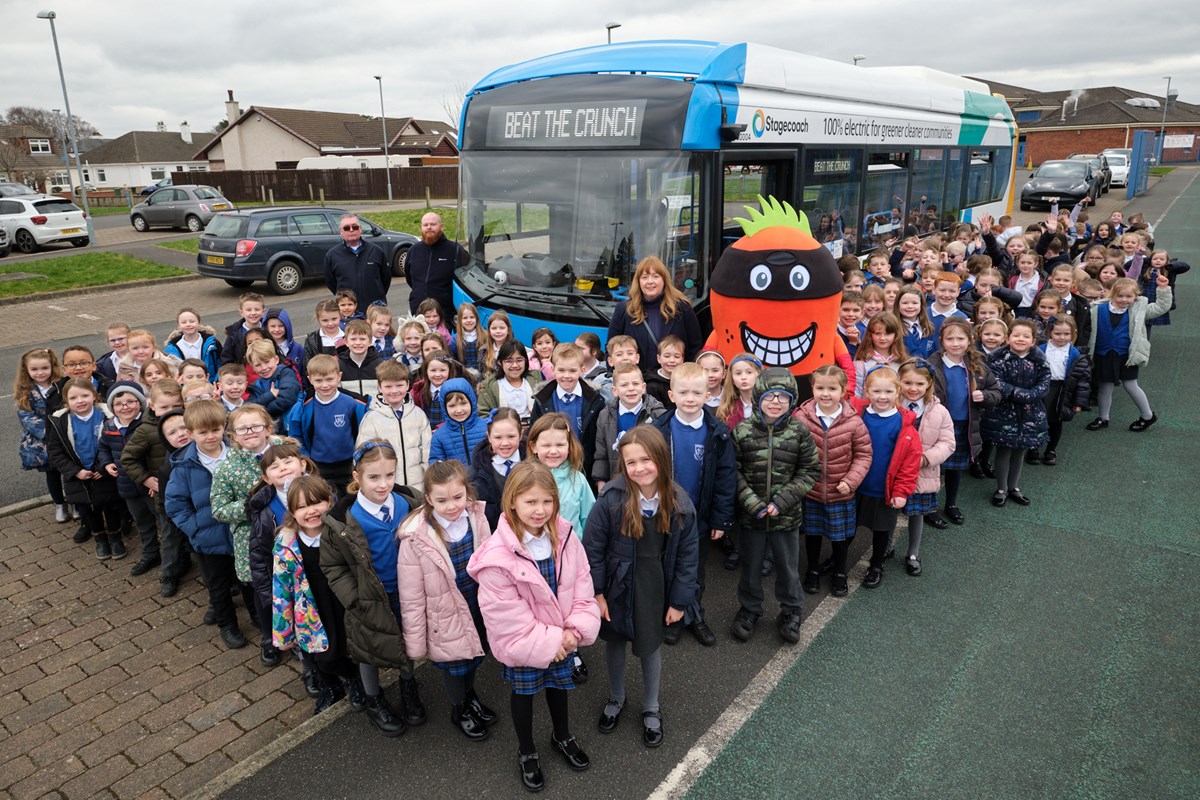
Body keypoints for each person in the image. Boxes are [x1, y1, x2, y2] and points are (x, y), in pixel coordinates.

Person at [467, 461, 600, 794]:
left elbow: (582, 585)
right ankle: (527, 750)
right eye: (530, 502)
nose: (540, 510)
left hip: (562, 637)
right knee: (523, 694)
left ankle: (562, 735)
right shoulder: (497, 556)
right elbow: (506, 615)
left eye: (546, 501)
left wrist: (573, 632)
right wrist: (552, 640)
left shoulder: (567, 537)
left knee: (559, 687)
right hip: (527, 643)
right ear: (512, 501)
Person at [583, 425, 699, 748]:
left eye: (646, 460)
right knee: (615, 642)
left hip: (653, 587)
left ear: (661, 458)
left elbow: (688, 559)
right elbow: (592, 549)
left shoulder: (680, 503)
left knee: (650, 647)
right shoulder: (610, 500)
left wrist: (679, 601)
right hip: (617, 585)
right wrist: (597, 592)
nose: (639, 468)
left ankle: (651, 706)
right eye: (631, 462)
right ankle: (617, 697)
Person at [321, 440, 426, 735]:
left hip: (408, 591)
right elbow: (333, 566)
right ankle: (373, 699)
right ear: (357, 477)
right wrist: (355, 599)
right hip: (368, 599)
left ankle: (408, 686)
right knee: (369, 649)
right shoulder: (344, 521)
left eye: (389, 476)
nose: (383, 485)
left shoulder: (409, 503)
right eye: (374, 477)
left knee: (407, 640)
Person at [398, 460, 498, 741]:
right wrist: (416, 641)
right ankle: (459, 709)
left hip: (476, 606)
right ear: (428, 499)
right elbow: (411, 596)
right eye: (442, 500)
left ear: (467, 491)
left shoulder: (477, 518)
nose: (452, 505)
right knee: (456, 668)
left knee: (474, 658)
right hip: (445, 617)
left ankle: (471, 695)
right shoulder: (415, 538)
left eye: (457, 497)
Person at [729, 368, 821, 643]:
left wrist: (782, 502)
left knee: (788, 568)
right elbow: (732, 472)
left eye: (784, 396)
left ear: (792, 401)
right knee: (751, 567)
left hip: (786, 517)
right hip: (751, 518)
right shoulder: (742, 431)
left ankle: (791, 612)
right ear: (759, 397)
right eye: (770, 395)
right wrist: (751, 503)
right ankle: (749, 609)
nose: (776, 402)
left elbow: (809, 470)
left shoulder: (799, 431)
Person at [650, 362, 735, 647]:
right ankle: (672, 617)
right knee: (667, 566)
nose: (690, 398)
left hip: (699, 516)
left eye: (697, 392)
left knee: (695, 570)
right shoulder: (658, 430)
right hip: (665, 515)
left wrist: (721, 520)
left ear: (708, 393)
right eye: (683, 392)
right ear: (671, 395)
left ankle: (695, 615)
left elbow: (725, 478)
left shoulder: (717, 432)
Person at [271, 475, 359, 715]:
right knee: (321, 657)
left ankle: (355, 680)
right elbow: (280, 588)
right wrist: (282, 631)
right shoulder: (287, 543)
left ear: (329, 502)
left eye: (316, 503)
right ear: (291, 510)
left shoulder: (340, 531)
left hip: (341, 601)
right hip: (310, 610)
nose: (310, 511)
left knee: (349, 646)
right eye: (301, 507)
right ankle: (331, 686)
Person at [164, 400, 248, 649]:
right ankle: (228, 624)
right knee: (218, 585)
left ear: (224, 428)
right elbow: (175, 504)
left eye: (215, 430)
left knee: (248, 579)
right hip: (208, 539)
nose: (210, 436)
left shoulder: (238, 454)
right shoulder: (184, 465)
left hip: (241, 532)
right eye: (203, 432)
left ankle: (258, 617)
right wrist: (196, 528)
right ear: (190, 434)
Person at [211, 404, 288, 664]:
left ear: (268, 427)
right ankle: (269, 638)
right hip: (252, 539)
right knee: (263, 590)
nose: (250, 432)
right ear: (233, 434)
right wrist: (248, 507)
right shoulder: (226, 469)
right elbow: (219, 508)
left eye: (256, 426)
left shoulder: (286, 452)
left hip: (290, 528)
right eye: (242, 428)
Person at [794, 365, 871, 597]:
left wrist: (851, 480)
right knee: (813, 535)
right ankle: (813, 570)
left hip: (841, 491)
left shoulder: (853, 422)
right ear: (812, 389)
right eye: (820, 388)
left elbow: (864, 454)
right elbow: (793, 451)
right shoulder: (801, 418)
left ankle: (840, 572)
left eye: (832, 388)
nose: (825, 394)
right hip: (812, 490)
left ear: (843, 390)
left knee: (839, 538)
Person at [246, 442, 318, 674]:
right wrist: (269, 595)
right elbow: (259, 555)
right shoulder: (265, 509)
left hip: (319, 574)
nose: (284, 468)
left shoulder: (322, 492)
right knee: (301, 629)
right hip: (291, 584)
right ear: (266, 478)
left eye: (288, 461)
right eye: (275, 466)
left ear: (302, 464)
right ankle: (310, 672)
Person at [850, 369, 922, 589]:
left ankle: (876, 565)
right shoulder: (857, 415)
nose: (882, 396)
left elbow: (910, 465)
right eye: (877, 391)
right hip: (855, 487)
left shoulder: (904, 425)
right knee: (846, 528)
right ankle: (837, 559)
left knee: (881, 532)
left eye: (888, 391)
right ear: (867, 391)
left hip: (884, 490)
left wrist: (901, 492)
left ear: (897, 392)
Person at [928, 320, 1001, 524]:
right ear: (942, 341)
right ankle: (930, 506)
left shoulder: (978, 367)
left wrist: (985, 396)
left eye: (960, 338)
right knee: (935, 468)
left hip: (964, 426)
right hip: (938, 427)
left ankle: (951, 503)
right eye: (950, 339)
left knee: (955, 469)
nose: (955, 343)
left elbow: (996, 391)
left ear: (970, 341)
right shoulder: (931, 365)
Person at [46, 378, 122, 559]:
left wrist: (103, 468)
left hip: (104, 473)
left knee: (111, 506)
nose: (80, 401)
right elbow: (55, 452)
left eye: (85, 395)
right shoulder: (60, 422)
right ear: (66, 401)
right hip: (79, 476)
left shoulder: (108, 416)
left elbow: (117, 445)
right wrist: (74, 471)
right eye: (73, 398)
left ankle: (116, 537)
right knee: (89, 509)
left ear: (94, 396)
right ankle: (100, 539)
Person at [1085, 274, 1172, 433]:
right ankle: (1103, 418)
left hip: (1127, 354)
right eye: (1120, 296)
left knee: (1131, 385)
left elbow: (1161, 307)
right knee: (1105, 386)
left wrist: (1163, 289)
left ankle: (1147, 415)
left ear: (1136, 296)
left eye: (1129, 296)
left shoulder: (1139, 309)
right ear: (1113, 294)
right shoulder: (1097, 308)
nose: (1124, 300)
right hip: (1104, 353)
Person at [895, 360, 955, 577]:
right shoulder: (891, 406)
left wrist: (925, 459)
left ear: (929, 384)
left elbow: (948, 443)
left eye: (919, 383)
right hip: (892, 473)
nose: (913, 388)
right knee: (889, 512)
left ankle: (913, 552)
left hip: (922, 473)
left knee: (917, 514)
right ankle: (886, 546)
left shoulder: (940, 411)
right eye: (907, 382)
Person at [982, 319, 1051, 507]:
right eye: (1016, 335)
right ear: (1007, 338)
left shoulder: (1040, 361)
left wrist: (1029, 396)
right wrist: (1022, 394)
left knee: (1020, 451)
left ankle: (1013, 487)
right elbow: (998, 384)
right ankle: (1001, 488)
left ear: (1033, 341)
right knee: (1003, 451)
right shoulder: (997, 359)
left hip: (1030, 414)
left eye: (1026, 336)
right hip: (1003, 413)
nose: (1021, 339)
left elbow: (1044, 385)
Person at [287, 355, 368, 495]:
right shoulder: (302, 408)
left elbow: (365, 434)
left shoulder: (353, 404)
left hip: (349, 466)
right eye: (319, 380)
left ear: (339, 376)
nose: (325, 385)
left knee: (349, 506)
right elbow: (295, 437)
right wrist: (307, 460)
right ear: (310, 379)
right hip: (319, 468)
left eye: (329, 379)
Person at [607, 256, 703, 373]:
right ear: (638, 282)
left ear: (664, 280)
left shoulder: (682, 308)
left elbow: (695, 347)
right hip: (635, 383)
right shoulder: (624, 309)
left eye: (655, 276)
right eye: (644, 277)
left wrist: (687, 377)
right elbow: (610, 347)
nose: (650, 281)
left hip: (673, 381)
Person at [356, 361, 431, 490]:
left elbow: (427, 451)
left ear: (407, 385)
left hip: (418, 487)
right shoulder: (371, 418)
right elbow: (364, 455)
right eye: (388, 386)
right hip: (387, 487)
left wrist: (427, 481)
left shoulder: (418, 415)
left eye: (399, 385)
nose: (394, 391)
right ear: (380, 387)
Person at [592, 363, 666, 488]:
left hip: (647, 481)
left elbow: (662, 452)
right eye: (624, 385)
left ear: (643, 388)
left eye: (635, 384)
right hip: (617, 481)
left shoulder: (657, 414)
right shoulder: (605, 415)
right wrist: (601, 481)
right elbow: (601, 454)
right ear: (614, 391)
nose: (631, 388)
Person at [15, 348, 66, 521]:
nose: (40, 373)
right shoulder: (25, 391)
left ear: (52, 366)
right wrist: (50, 434)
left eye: (44, 368)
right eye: (34, 369)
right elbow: (27, 417)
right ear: (27, 370)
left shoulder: (61, 384)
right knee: (52, 473)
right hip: (43, 441)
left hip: (65, 435)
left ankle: (75, 501)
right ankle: (59, 504)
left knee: (69, 471)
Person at [1035, 317, 1092, 466]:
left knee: (1056, 422)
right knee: (1036, 420)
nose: (1062, 337)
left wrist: (1079, 402)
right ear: (1049, 333)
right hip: (1042, 388)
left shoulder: (1075, 354)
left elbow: (1082, 382)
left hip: (1062, 391)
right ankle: (1033, 448)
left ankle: (1051, 450)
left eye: (1066, 334)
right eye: (1057, 333)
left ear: (1074, 334)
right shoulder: (1040, 349)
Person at [469, 408, 526, 530]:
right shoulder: (477, 473)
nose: (505, 443)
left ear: (521, 435)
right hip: (496, 533)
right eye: (498, 437)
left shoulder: (533, 461)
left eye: (511, 436)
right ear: (489, 437)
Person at [406, 212, 469, 319]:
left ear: (442, 226)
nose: (429, 227)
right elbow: (410, 279)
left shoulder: (455, 250)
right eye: (425, 225)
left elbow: (465, 281)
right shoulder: (413, 250)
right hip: (418, 314)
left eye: (433, 224)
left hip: (444, 316)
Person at [324, 213, 390, 313]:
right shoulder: (332, 255)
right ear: (341, 232)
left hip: (375, 311)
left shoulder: (376, 251)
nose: (351, 230)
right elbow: (331, 282)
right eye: (346, 228)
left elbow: (386, 278)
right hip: (349, 312)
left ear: (360, 229)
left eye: (354, 227)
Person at [429, 377, 489, 467]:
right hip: (455, 480)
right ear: (444, 408)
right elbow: (436, 465)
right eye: (452, 406)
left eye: (463, 403)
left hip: (486, 479)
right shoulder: (439, 436)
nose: (459, 410)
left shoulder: (487, 427)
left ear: (472, 402)